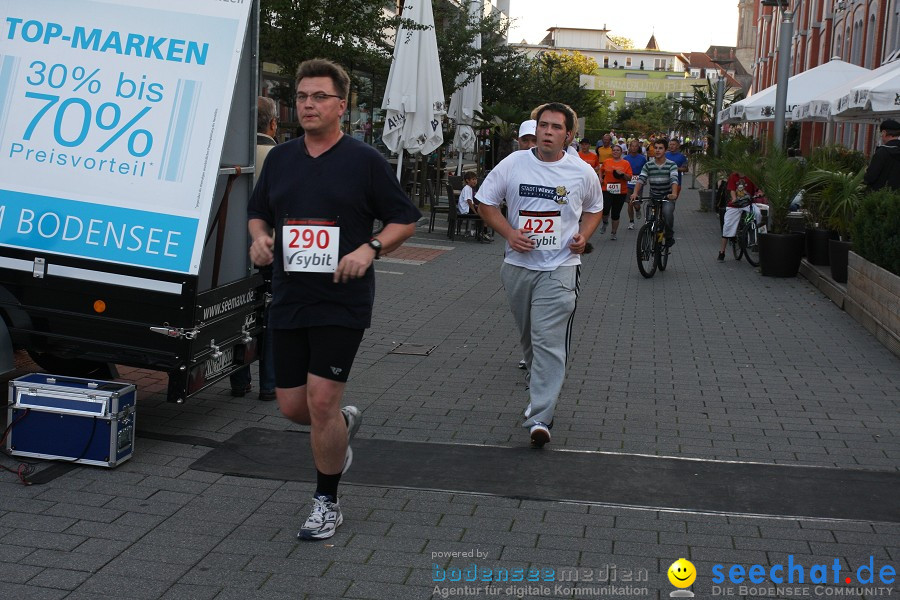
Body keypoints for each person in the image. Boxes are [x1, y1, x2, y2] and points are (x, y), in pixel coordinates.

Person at [247, 59, 420, 540]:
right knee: (292, 408)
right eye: (302, 96)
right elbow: (258, 212)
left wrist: (371, 248)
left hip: (342, 301)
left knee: (320, 401)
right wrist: (259, 239)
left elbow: (404, 219)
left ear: (342, 106)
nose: (308, 104)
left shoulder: (364, 161)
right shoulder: (281, 159)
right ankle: (341, 425)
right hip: (289, 296)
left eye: (319, 96)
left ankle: (326, 501)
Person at [476, 102, 603, 448]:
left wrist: (583, 236)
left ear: (569, 135)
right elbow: (485, 202)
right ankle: (538, 386)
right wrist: (509, 233)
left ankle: (541, 416)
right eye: (543, 125)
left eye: (555, 127)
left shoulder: (581, 172)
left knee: (549, 340)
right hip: (518, 267)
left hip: (560, 268)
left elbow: (595, 209)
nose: (547, 132)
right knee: (530, 337)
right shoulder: (514, 163)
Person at [231, 95, 280, 401]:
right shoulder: (282, 157)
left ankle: (238, 379)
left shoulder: (232, 156)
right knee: (272, 313)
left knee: (237, 312)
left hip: (232, 253)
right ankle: (269, 383)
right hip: (271, 250)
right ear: (273, 123)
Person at [631, 139, 679, 247]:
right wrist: (635, 193)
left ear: (665, 150)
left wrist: (674, 194)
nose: (657, 150)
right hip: (654, 196)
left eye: (660, 148)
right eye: (655, 148)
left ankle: (669, 236)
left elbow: (674, 179)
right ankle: (650, 240)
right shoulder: (648, 165)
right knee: (649, 219)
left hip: (667, 196)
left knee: (667, 213)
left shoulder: (671, 165)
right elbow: (641, 179)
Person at [718, 171, 761, 261]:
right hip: (735, 204)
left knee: (757, 213)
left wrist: (760, 193)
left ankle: (755, 234)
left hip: (748, 203)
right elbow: (732, 190)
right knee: (728, 226)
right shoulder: (733, 176)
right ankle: (722, 251)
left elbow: (757, 188)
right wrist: (734, 199)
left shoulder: (751, 175)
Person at [599, 144, 633, 240]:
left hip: (620, 192)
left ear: (621, 152)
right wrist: (600, 178)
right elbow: (601, 170)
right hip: (607, 189)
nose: (615, 152)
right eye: (614, 150)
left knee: (615, 213)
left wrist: (622, 174)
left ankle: (613, 233)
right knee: (605, 209)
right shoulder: (607, 161)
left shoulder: (625, 163)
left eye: (618, 150)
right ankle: (605, 222)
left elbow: (629, 177)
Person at [863, 118, 900, 191]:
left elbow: (870, 177)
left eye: (881, 133)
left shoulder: (882, 152)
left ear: (884, 132)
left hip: (879, 196)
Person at [624, 139, 648, 229]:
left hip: (638, 184)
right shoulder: (626, 158)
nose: (634, 148)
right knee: (630, 203)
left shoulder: (642, 158)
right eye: (632, 146)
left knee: (636, 204)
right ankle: (631, 222)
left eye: (636, 146)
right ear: (630, 147)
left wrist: (644, 179)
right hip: (628, 184)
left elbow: (646, 170)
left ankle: (638, 209)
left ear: (638, 148)